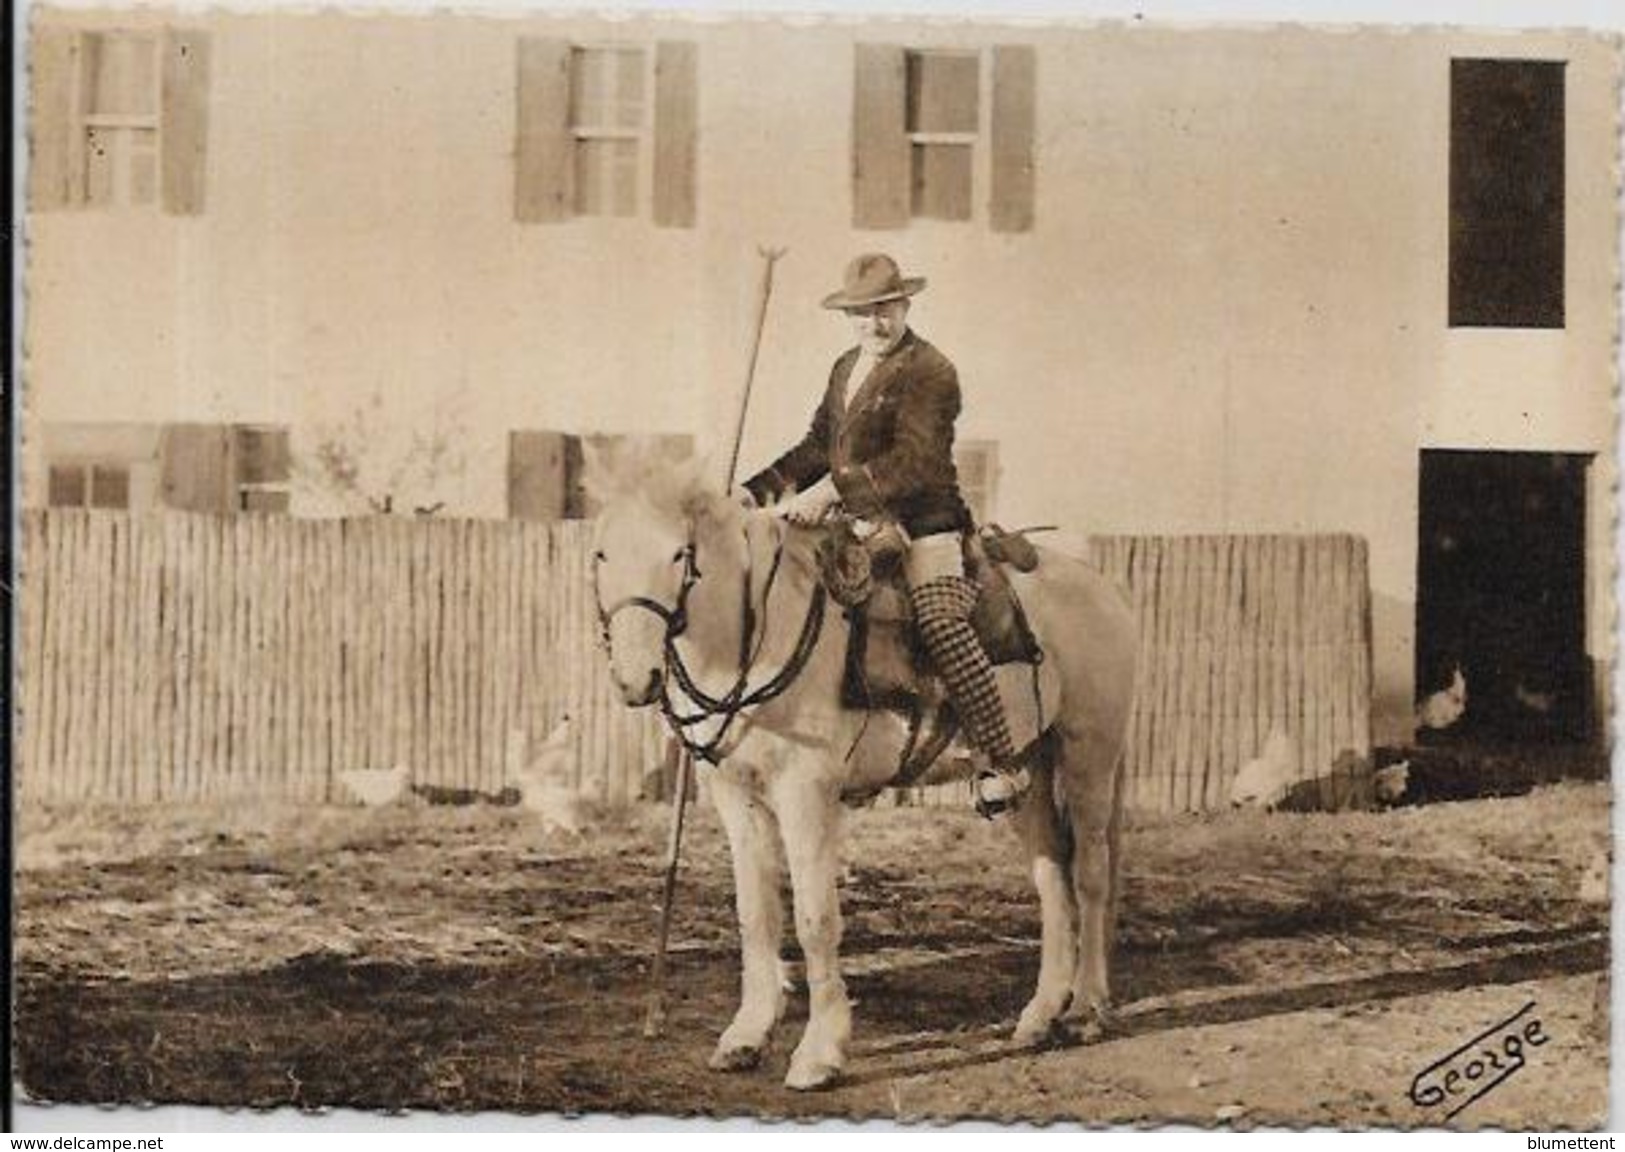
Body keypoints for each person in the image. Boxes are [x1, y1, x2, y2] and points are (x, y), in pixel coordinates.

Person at [741, 253, 1029, 817]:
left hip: (927, 522)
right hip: (855, 523)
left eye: (885, 310)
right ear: (847, 316)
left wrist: (830, 493)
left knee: (941, 620)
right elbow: (816, 447)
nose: (874, 324)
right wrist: (754, 491)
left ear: (905, 306)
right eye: (862, 313)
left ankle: (1001, 761)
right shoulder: (846, 367)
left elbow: (914, 462)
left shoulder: (932, 370)